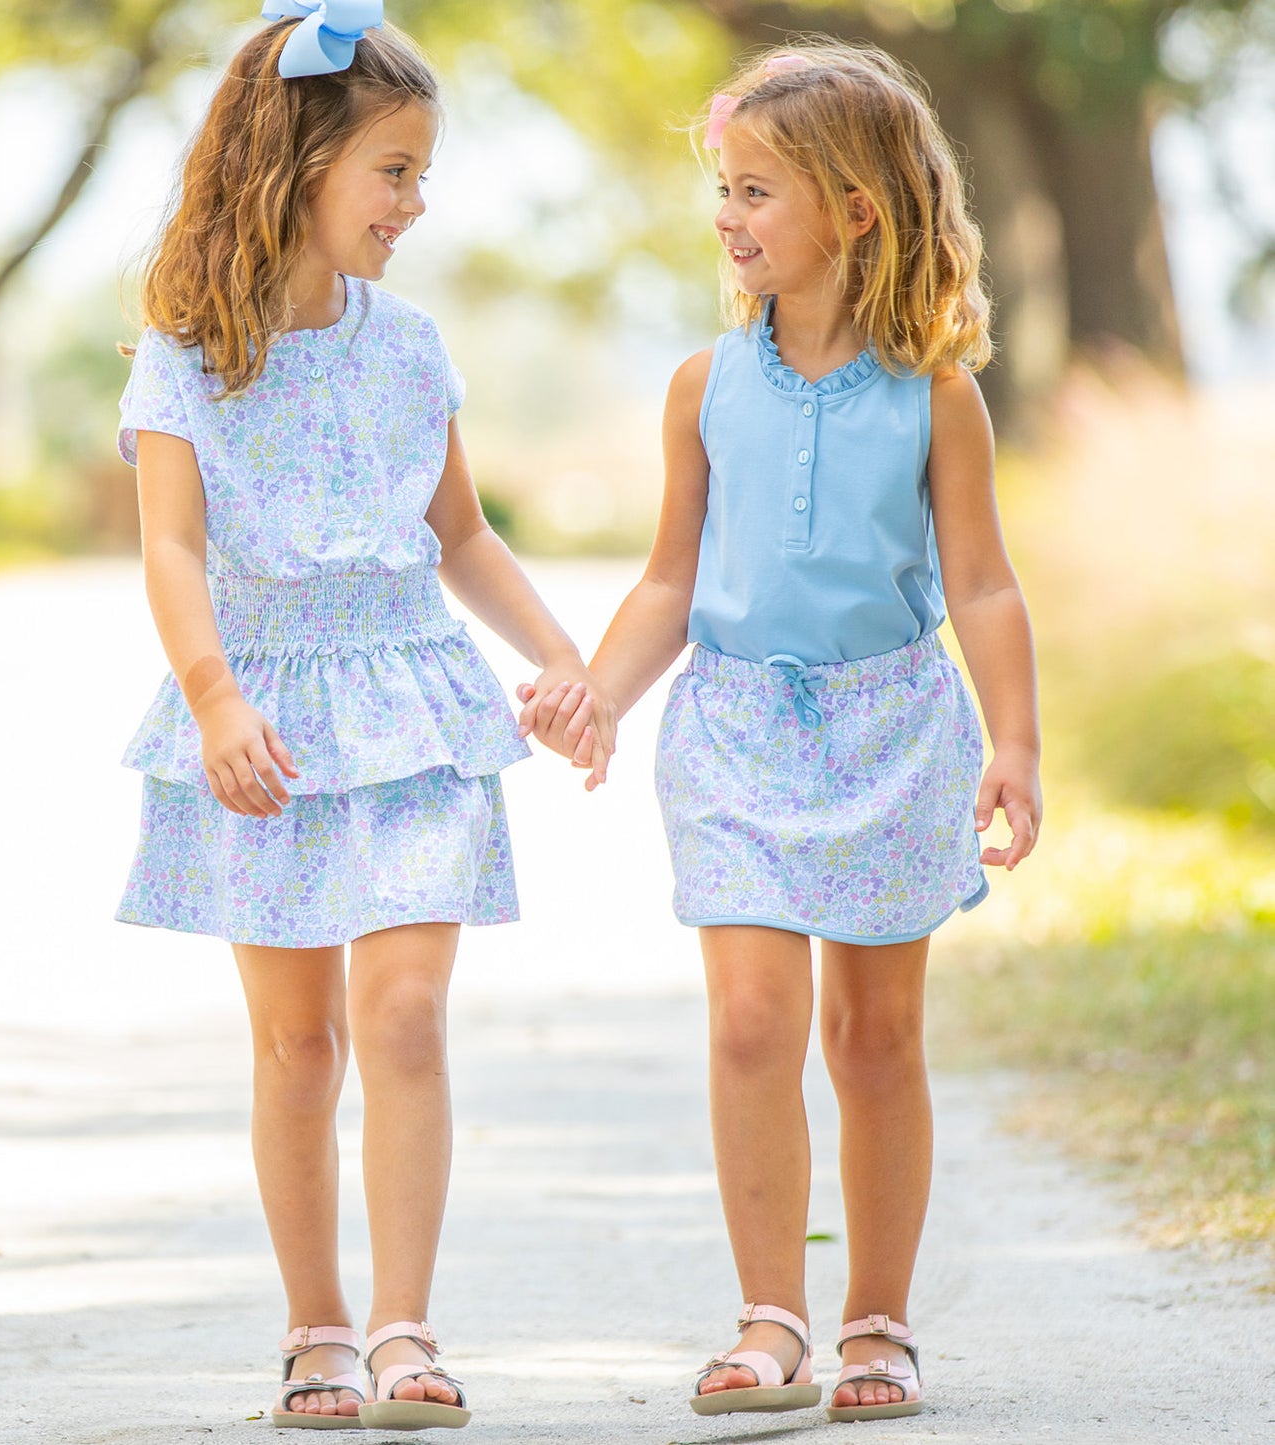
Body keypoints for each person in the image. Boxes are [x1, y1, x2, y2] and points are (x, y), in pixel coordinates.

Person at [519, 37, 1041, 1425]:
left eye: (756, 190)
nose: (727, 217)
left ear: (855, 209)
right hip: (737, 731)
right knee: (754, 1022)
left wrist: (1016, 742)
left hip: (891, 731)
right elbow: (669, 581)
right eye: (723, 189)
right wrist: (594, 693)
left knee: (874, 1038)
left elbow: (982, 583)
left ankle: (875, 1320)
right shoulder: (702, 385)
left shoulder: (935, 390)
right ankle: (769, 1318)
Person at [114, 4, 609, 1430]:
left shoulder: (409, 348)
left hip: (409, 705)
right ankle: (315, 1326)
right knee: (296, 1045)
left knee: (400, 1018)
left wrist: (563, 658)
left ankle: (404, 1328)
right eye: (391, 170)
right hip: (262, 715)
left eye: (419, 172)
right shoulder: (187, 354)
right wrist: (212, 695)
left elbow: (462, 534)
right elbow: (170, 549)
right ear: (296, 162)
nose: (414, 202)